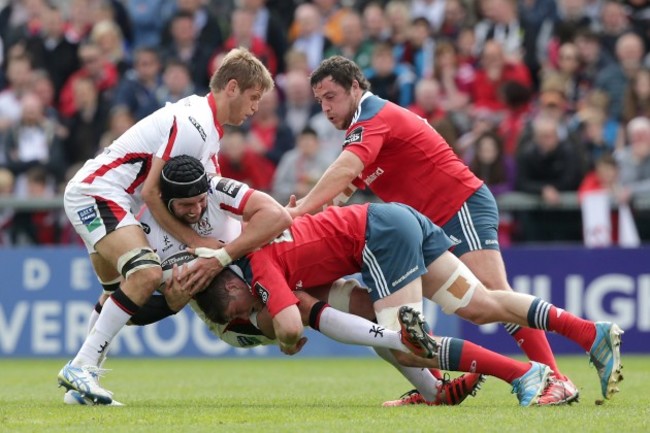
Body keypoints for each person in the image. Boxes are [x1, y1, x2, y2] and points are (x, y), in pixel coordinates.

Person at [64, 156, 481, 407]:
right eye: (184, 206)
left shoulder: (216, 189)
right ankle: (407, 346)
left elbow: (270, 214)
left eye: (199, 203)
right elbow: (132, 300)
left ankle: (430, 389)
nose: (194, 210)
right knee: (295, 313)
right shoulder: (146, 232)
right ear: (164, 206)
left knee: (364, 308)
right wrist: (173, 301)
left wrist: (282, 217)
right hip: (234, 313)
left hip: (268, 269)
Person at [287, 55, 584, 404]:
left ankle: (557, 378)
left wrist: (297, 211)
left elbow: (343, 170)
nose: (325, 107)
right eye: (320, 100)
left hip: (459, 207)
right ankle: (435, 388)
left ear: (355, 87)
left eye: (331, 97)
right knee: (405, 314)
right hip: (425, 227)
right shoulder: (363, 128)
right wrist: (317, 214)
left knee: (491, 295)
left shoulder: (371, 118)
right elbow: (345, 185)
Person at [192, 202, 623, 406]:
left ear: (233, 292)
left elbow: (289, 324)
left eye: (243, 312)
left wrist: (283, 338)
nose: (251, 314)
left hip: (379, 238)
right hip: (397, 217)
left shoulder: (259, 267)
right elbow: (330, 305)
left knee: (402, 343)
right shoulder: (260, 246)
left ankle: (524, 375)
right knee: (480, 304)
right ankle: (589, 332)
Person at [57, 48, 275, 405]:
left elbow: (214, 195)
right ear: (232, 87)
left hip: (108, 196)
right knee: (144, 274)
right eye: (253, 98)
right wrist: (196, 242)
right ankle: (80, 366)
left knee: (118, 293)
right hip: (98, 192)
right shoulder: (196, 124)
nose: (255, 108)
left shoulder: (205, 126)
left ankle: (81, 383)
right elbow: (151, 193)